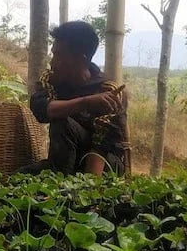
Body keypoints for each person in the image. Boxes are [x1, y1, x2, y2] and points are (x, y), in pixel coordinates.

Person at [27, 20, 128, 175]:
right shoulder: (52, 81)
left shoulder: (108, 91)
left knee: (63, 121)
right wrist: (86, 103)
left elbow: (101, 146)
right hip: (63, 161)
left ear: (80, 59)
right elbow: (41, 109)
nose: (53, 62)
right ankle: (57, 180)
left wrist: (87, 192)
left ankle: (61, 187)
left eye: (59, 55)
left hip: (103, 164)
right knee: (14, 180)